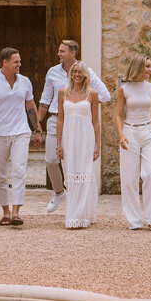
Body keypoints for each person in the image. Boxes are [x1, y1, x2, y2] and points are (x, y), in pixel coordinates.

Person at [37, 39, 111, 213]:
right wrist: (37, 126)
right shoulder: (52, 72)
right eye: (59, 50)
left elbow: (106, 96)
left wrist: (82, 105)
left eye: (62, 51)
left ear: (73, 53)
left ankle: (78, 204)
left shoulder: (87, 72)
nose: (58, 54)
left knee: (76, 165)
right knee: (50, 159)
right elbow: (45, 100)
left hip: (79, 124)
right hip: (57, 120)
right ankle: (58, 192)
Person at [0, 47, 41, 226]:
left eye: (19, 61)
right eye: (16, 62)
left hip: (21, 132)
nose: (19, 65)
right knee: (0, 175)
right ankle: (5, 211)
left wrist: (37, 130)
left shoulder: (25, 82)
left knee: (20, 170)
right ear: (5, 63)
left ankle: (16, 212)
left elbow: (31, 106)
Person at [115, 54, 151, 230]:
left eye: (150, 66)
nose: (150, 69)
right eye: (147, 66)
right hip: (130, 132)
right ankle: (134, 220)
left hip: (149, 132)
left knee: (150, 175)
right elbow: (119, 114)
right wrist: (121, 135)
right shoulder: (124, 90)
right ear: (139, 67)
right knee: (129, 179)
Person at [56, 62, 100, 229]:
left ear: (85, 75)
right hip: (68, 138)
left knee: (85, 174)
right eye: (74, 72)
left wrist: (98, 145)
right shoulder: (62, 92)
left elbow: (96, 121)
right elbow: (60, 119)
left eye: (80, 72)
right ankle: (76, 212)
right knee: (71, 175)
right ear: (70, 74)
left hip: (86, 138)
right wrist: (58, 143)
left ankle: (78, 216)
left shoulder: (92, 94)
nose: (77, 75)